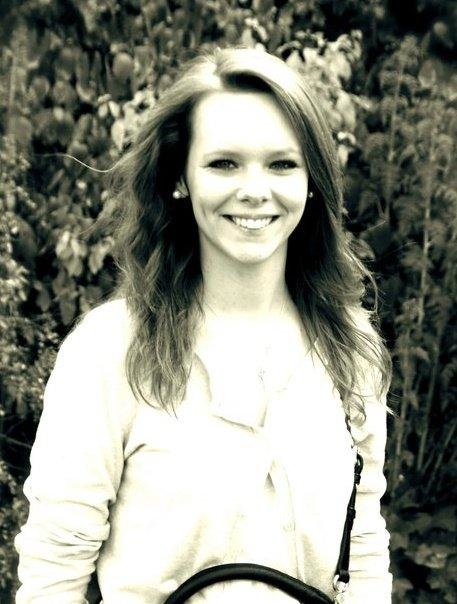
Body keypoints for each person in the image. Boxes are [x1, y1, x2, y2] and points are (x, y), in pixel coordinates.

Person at [15, 47, 392, 603]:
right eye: (224, 164)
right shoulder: (110, 351)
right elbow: (54, 573)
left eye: (282, 164)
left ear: (311, 180)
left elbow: (362, 548)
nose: (255, 190)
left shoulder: (350, 349)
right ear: (180, 179)